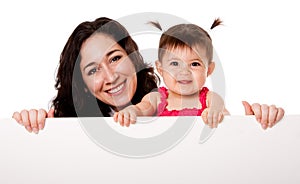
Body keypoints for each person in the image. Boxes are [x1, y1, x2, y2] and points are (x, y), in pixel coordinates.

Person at [12, 17, 284, 134]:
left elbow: (219, 124)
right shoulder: (68, 128)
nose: (110, 76)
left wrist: (255, 125)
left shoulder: (166, 101)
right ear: (80, 85)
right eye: (93, 70)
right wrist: (31, 126)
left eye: (116, 58)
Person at [113, 19, 285, 129]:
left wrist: (215, 113)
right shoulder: (157, 98)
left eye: (194, 64)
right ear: (160, 69)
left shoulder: (210, 98)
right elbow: (143, 108)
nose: (184, 71)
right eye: (174, 63)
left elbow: (223, 115)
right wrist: (132, 111)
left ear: (209, 70)